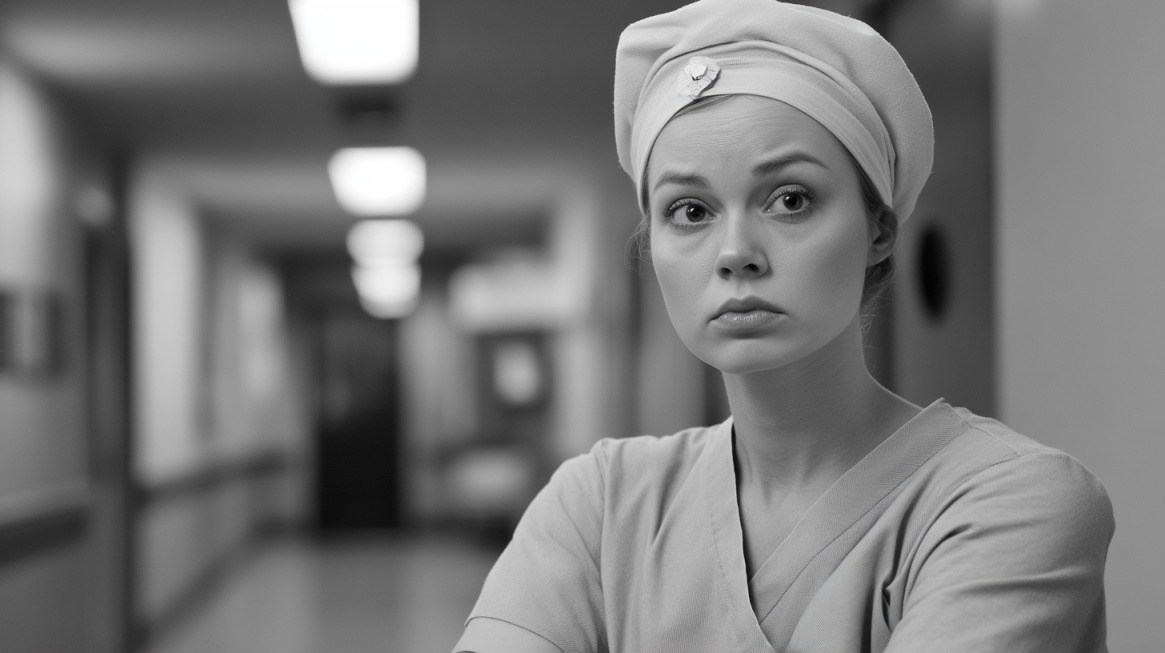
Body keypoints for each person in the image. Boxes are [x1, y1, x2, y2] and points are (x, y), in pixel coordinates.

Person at [453, 1, 1114, 651]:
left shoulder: (1010, 501)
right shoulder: (599, 505)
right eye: (689, 210)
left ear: (878, 228)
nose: (734, 250)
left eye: (790, 199)